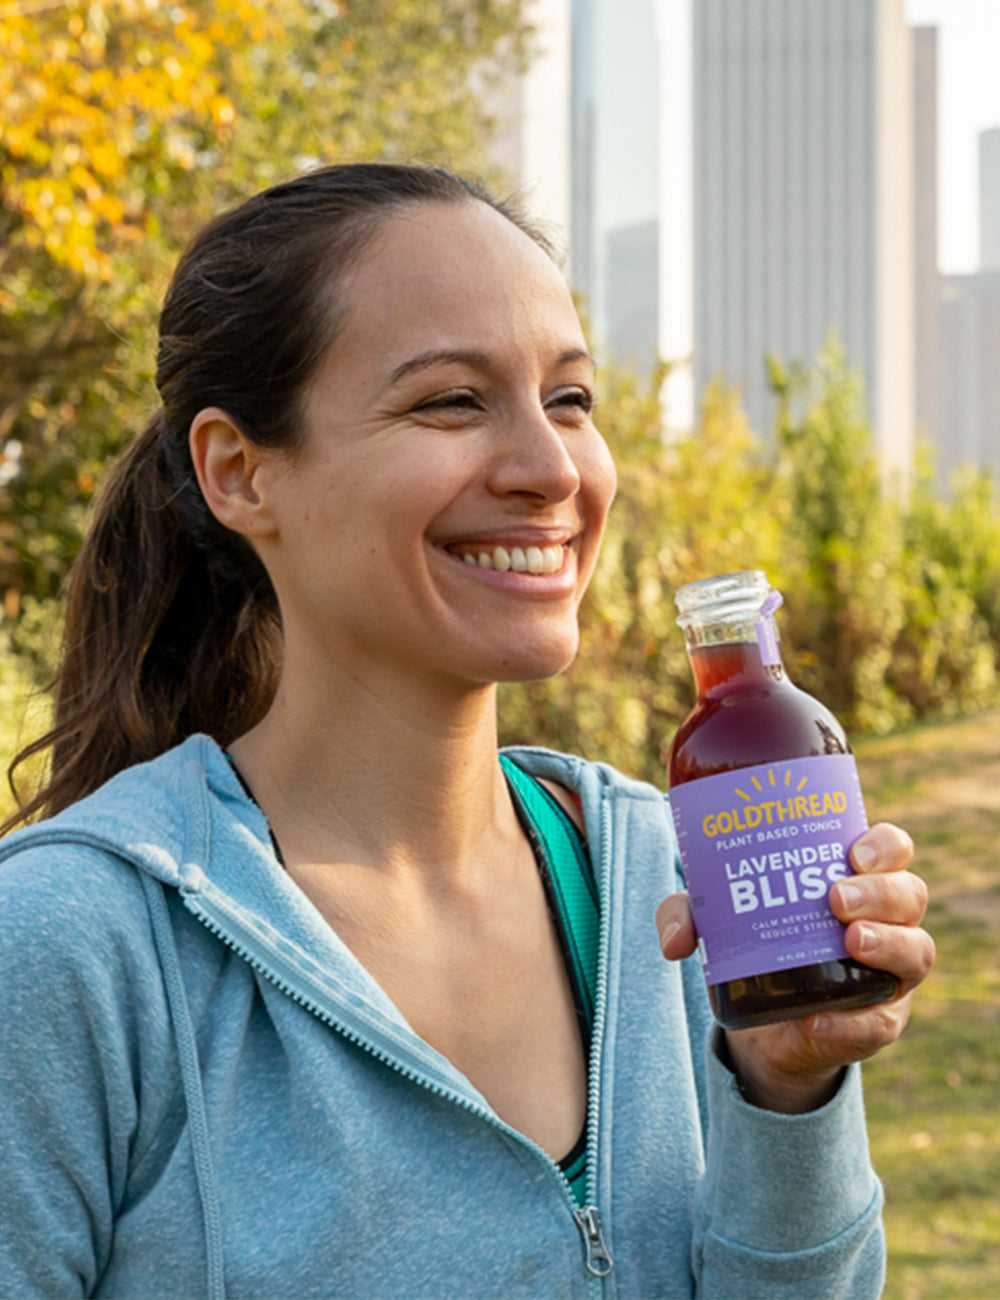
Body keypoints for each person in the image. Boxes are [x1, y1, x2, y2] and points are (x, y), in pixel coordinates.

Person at [0, 163, 934, 1300]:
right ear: (239, 473)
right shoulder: (67, 945)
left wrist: (784, 1093)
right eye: (451, 400)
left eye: (572, 400)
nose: (550, 470)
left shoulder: (678, 886)